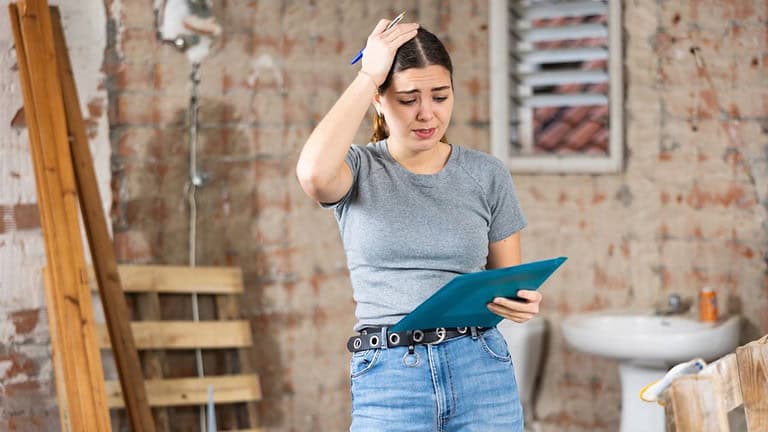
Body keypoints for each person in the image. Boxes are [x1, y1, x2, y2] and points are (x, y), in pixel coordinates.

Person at [296, 18, 542, 432]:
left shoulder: (486, 174)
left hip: (481, 367)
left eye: (440, 97)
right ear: (379, 100)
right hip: (390, 375)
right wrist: (368, 75)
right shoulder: (358, 169)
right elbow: (314, 175)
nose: (427, 113)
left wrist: (521, 303)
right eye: (408, 99)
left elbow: (506, 283)